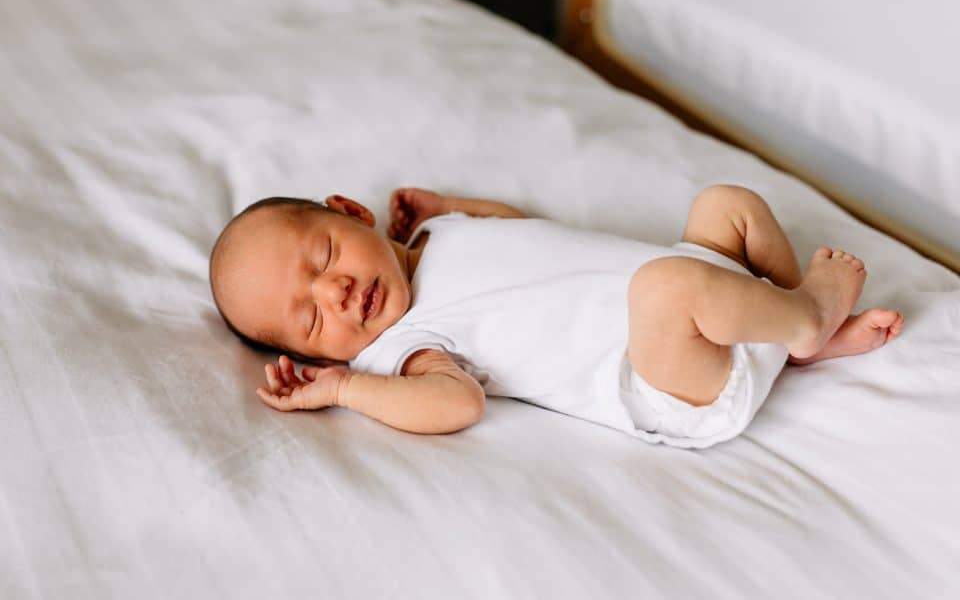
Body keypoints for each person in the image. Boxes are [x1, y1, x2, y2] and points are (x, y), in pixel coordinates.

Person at [208, 185, 904, 448]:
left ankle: (792, 338)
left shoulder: (441, 237)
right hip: (669, 377)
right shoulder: (401, 348)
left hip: (698, 294)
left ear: (355, 214)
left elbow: (524, 231)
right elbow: (456, 404)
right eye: (309, 320)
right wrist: (340, 389)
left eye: (326, 254)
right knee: (665, 288)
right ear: (324, 355)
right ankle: (806, 314)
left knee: (727, 206)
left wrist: (453, 207)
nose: (334, 292)